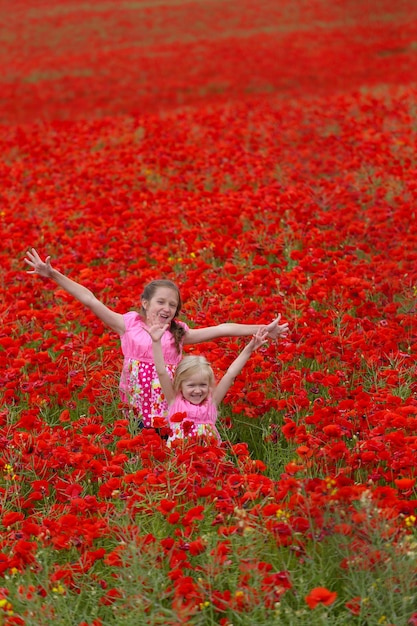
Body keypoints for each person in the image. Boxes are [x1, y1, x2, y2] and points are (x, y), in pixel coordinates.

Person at [25, 248, 288, 427]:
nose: (166, 308)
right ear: (145, 304)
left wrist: (263, 327)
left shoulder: (178, 332)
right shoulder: (127, 324)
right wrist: (53, 275)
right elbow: (90, 299)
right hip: (137, 401)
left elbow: (222, 328)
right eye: (160, 302)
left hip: (171, 404)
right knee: (140, 441)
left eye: (172, 305)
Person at [147, 320, 269, 444]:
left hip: (208, 460)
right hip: (181, 459)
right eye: (191, 385)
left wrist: (249, 349)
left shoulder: (212, 402)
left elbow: (230, 374)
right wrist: (156, 342)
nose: (198, 390)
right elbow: (161, 371)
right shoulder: (174, 400)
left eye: (203, 385)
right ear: (180, 385)